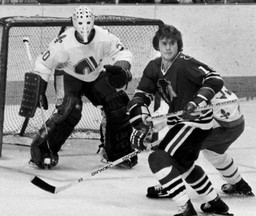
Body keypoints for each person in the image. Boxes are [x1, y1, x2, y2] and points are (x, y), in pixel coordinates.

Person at [128, 24, 233, 216]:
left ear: (179, 45)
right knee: (183, 164)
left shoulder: (185, 63)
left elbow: (214, 78)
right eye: (164, 43)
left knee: (158, 158)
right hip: (184, 124)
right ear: (157, 46)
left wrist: (198, 101)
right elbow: (141, 95)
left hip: (196, 123)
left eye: (172, 43)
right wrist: (141, 120)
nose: (168, 47)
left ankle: (185, 209)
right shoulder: (154, 67)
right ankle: (215, 203)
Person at [23, 6, 137, 169]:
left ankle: (119, 152)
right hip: (68, 76)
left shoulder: (104, 36)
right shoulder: (62, 42)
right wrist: (39, 90)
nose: (85, 31)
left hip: (95, 75)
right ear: (74, 24)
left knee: (117, 102)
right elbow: (43, 63)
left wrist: (121, 68)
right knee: (70, 110)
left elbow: (124, 53)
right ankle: (41, 151)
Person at [147, 86, 254, 198]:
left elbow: (169, 111)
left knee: (178, 149)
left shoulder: (184, 81)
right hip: (236, 125)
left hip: (220, 127)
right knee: (214, 154)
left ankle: (171, 187)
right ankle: (240, 185)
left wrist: (148, 126)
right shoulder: (201, 73)